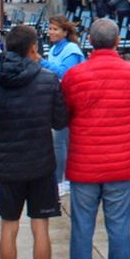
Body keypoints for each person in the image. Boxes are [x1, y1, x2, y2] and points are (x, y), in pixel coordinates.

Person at [59, 19, 130, 259]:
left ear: (89, 41)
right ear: (116, 42)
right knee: (118, 226)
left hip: (84, 162)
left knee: (82, 227)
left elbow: (65, 112)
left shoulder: (75, 75)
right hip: (118, 162)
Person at [0, 25, 67, 259]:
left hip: (7, 164)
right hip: (41, 163)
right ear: (33, 48)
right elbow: (59, 120)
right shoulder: (47, 79)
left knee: (8, 225)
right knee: (40, 226)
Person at [40, 16, 85, 200]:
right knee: (62, 142)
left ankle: (62, 181)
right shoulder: (54, 49)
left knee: (61, 142)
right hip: (56, 98)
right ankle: (63, 179)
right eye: (50, 29)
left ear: (65, 32)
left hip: (68, 100)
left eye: (55, 29)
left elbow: (67, 74)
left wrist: (41, 62)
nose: (51, 32)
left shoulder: (71, 50)